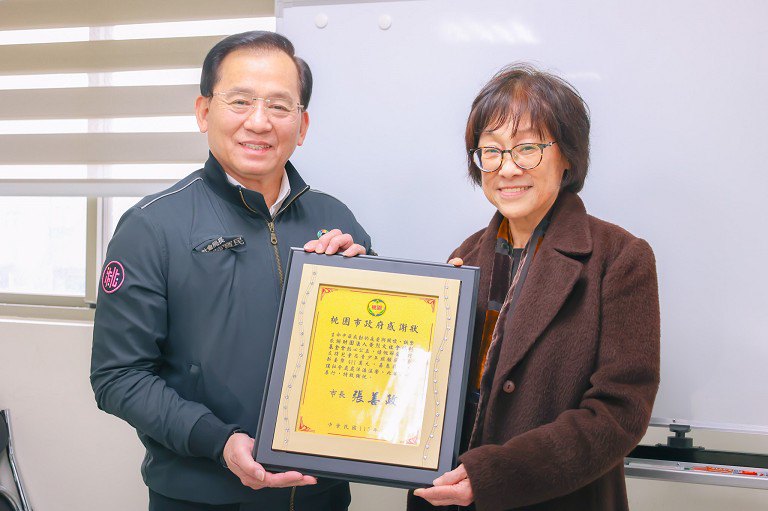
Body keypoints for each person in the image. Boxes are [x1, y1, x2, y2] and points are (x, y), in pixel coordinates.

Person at [90, 31, 372, 511]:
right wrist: (217, 441)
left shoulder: (336, 219)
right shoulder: (151, 226)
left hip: (319, 495)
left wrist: (364, 284)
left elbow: (371, 354)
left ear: (302, 125)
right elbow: (118, 376)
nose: (259, 122)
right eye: (240, 101)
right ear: (204, 112)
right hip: (203, 495)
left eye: (279, 106)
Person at [411, 64, 660, 510]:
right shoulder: (465, 256)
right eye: (491, 151)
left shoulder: (620, 258)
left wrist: (495, 475)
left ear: (568, 156)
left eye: (527, 148)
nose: (507, 168)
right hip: (450, 498)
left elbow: (620, 412)